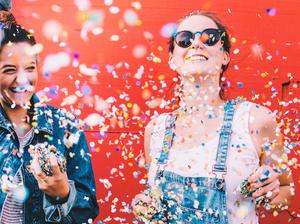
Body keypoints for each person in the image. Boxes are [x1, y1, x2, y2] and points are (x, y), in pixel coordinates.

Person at [133, 11, 294, 223]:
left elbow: (285, 192)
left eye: (209, 37)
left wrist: (270, 192)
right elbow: (155, 199)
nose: (196, 44)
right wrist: (146, 205)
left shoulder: (255, 119)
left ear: (224, 55)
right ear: (172, 60)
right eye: (184, 40)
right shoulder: (156, 129)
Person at [0, 12, 99, 223]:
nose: (23, 80)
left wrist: (63, 194)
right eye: (9, 70)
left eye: (30, 68)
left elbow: (88, 210)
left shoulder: (65, 125)